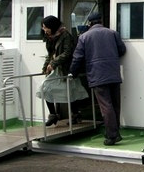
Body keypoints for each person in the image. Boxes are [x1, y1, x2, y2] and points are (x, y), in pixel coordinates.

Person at [69, 12, 126, 146]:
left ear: (89, 23)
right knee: (115, 104)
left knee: (106, 106)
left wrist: (73, 72)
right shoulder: (113, 33)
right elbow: (122, 50)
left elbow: (78, 57)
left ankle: (112, 135)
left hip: (97, 75)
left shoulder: (84, 37)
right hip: (113, 73)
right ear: (101, 21)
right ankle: (114, 131)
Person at [40, 15, 85, 126]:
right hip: (56, 68)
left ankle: (75, 114)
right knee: (45, 88)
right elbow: (50, 54)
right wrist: (45, 67)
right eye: (43, 28)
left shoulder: (66, 36)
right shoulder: (49, 37)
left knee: (69, 92)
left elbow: (67, 52)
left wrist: (53, 63)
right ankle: (53, 114)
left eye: (46, 27)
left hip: (65, 68)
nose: (44, 30)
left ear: (52, 26)